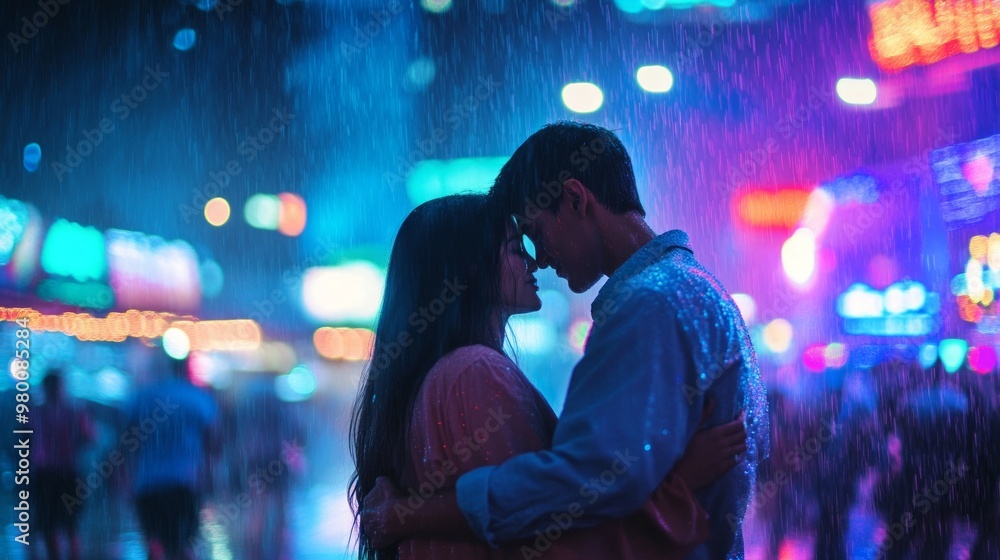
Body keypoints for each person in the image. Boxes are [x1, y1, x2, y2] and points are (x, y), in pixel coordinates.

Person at [362, 122, 768, 559]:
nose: (540, 258)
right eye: (520, 246)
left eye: (534, 233)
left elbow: (579, 486)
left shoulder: (648, 304)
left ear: (575, 198)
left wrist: (409, 514)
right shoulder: (693, 287)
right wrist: (679, 486)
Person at [129, 354, 221, 560]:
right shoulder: (199, 398)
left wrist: (125, 479)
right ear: (188, 368)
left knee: (153, 544)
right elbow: (213, 444)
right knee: (183, 544)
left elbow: (127, 443)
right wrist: (210, 476)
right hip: (185, 483)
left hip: (148, 483)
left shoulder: (143, 397)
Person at [33, 369, 95, 560]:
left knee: (48, 525)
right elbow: (90, 437)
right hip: (69, 472)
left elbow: (25, 441)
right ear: (61, 387)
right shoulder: (75, 411)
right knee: (71, 524)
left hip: (44, 474)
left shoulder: (35, 412)